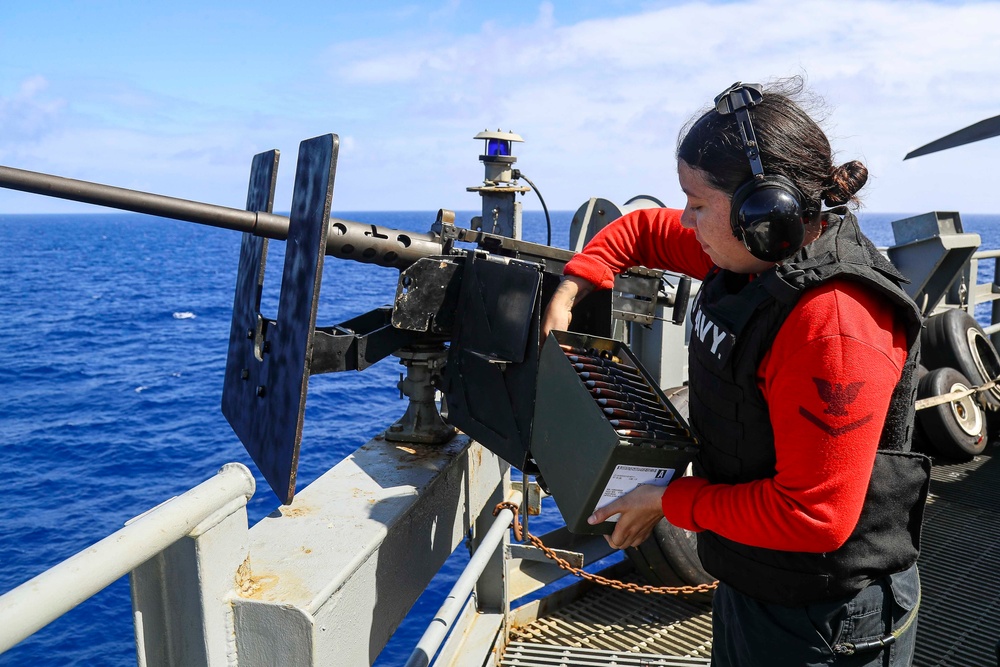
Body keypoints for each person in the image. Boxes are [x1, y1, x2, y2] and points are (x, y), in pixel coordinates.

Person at [541, 78, 931, 667]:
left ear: (764, 211)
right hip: (758, 579)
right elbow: (639, 230)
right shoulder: (754, 254)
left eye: (698, 204)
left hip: (827, 619)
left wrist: (668, 501)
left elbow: (814, 517)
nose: (687, 220)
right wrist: (575, 285)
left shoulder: (833, 324)